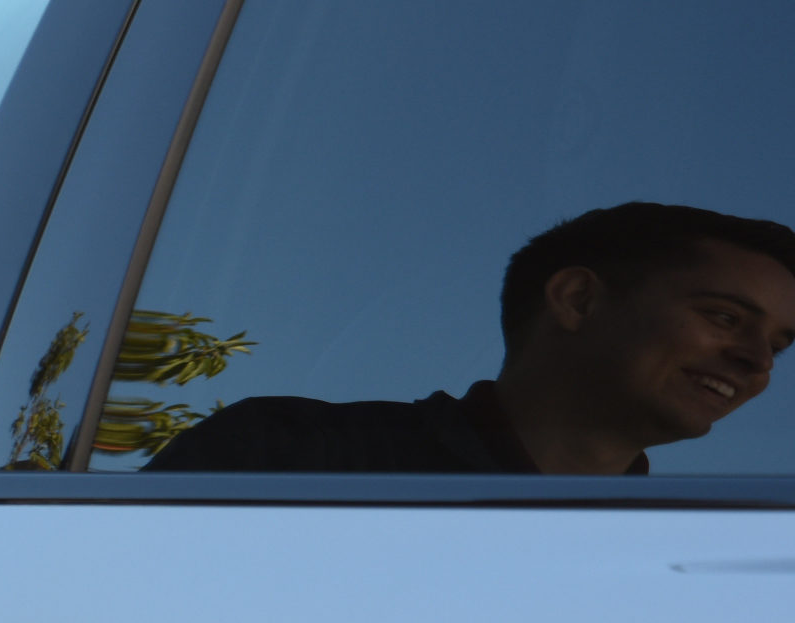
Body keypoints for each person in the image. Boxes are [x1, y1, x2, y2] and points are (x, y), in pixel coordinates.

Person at [149, 201, 795, 475]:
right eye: (725, 317)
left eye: (780, 344)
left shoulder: (689, 553)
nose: (756, 360)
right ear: (578, 299)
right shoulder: (290, 461)